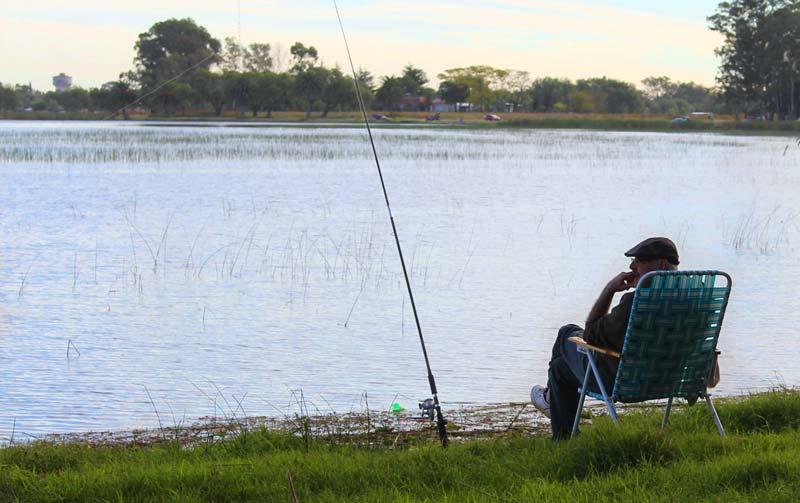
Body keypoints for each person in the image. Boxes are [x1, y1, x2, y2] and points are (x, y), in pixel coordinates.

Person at [530, 237, 681, 440]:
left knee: (567, 333)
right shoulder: (694, 302)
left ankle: (554, 411)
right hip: (671, 380)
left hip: (623, 382)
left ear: (662, 264)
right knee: (560, 368)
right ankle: (558, 421)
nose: (632, 266)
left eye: (638, 260)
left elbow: (591, 333)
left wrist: (609, 289)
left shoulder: (636, 304)